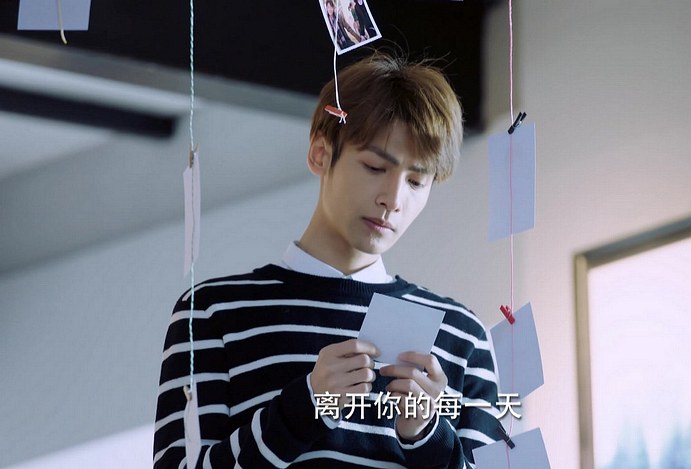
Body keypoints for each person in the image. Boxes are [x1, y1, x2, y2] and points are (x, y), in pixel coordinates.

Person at [153, 53, 503, 468]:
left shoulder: (461, 336)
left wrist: (427, 434)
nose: (393, 199)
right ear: (320, 153)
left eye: (416, 181)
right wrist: (303, 408)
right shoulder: (213, 313)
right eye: (375, 166)